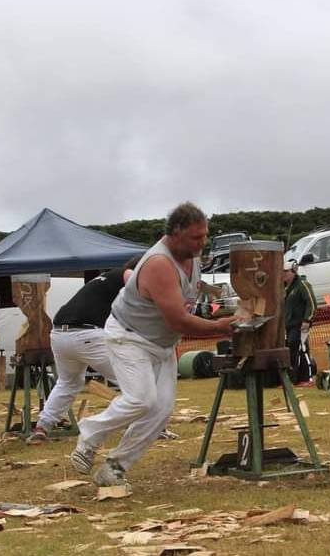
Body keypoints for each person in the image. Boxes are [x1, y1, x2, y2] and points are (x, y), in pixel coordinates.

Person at [71, 202, 238, 490]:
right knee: (141, 399)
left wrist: (219, 300)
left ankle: (115, 467)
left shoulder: (191, 257)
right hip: (129, 336)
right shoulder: (159, 264)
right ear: (175, 233)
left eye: (205, 235)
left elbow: (189, 295)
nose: (203, 242)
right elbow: (179, 322)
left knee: (161, 410)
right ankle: (90, 432)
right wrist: (221, 328)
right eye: (196, 237)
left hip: (160, 342)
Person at [25, 257, 140, 445]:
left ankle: (42, 427)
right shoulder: (127, 274)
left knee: (68, 382)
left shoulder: (104, 279)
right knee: (133, 381)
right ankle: (144, 427)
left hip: (60, 334)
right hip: (87, 334)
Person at [283, 260, 316, 386]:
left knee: (302, 348)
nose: (283, 274)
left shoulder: (303, 285)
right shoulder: (286, 287)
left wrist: (307, 320)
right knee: (291, 348)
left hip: (300, 324)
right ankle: (294, 378)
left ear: (293, 271)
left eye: (286, 272)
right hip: (289, 325)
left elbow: (311, 303)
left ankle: (307, 377)